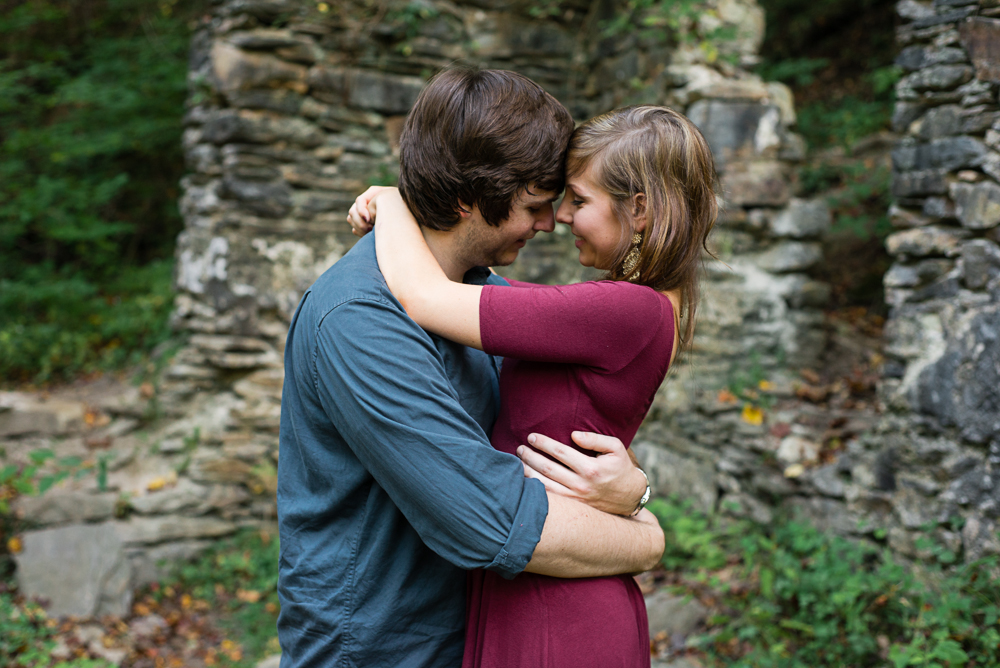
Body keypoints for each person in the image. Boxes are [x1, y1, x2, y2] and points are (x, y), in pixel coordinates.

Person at [277, 68, 665, 668]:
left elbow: (555, 423)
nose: (549, 223)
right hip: (380, 653)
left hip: (468, 641)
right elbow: (489, 521)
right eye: (535, 205)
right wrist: (647, 537)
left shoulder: (480, 297)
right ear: (466, 200)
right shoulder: (360, 320)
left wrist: (633, 487)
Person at [352, 104, 719, 668]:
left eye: (578, 199)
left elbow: (424, 298)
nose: (561, 216)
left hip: (561, 611)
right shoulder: (629, 309)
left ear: (639, 209)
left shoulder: (625, 309)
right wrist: (637, 494)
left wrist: (396, 200)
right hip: (539, 583)